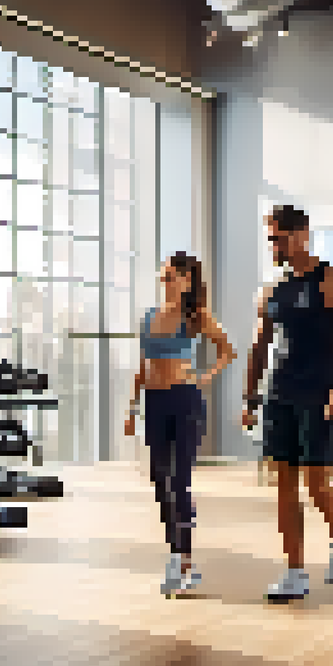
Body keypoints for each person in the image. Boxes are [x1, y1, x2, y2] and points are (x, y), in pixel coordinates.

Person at [241, 205, 333, 601]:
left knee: (317, 485)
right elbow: (259, 346)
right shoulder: (270, 290)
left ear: (302, 234)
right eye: (271, 239)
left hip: (319, 393)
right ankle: (294, 571)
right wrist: (250, 397)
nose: (274, 246)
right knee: (284, 486)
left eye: (279, 238)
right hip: (279, 394)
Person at [124, 252, 236, 596]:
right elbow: (143, 366)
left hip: (185, 401)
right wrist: (132, 408)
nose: (166, 282)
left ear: (187, 281)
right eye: (164, 277)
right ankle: (177, 554)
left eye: (171, 277)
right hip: (155, 403)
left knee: (180, 480)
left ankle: (182, 560)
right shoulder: (148, 317)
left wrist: (205, 377)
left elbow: (227, 350)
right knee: (160, 479)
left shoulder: (196, 316)